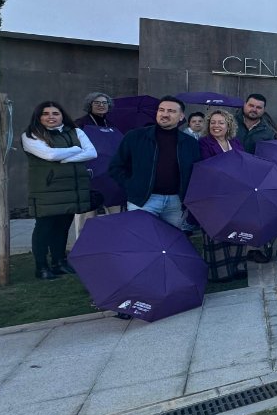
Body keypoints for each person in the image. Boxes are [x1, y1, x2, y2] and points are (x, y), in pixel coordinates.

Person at [22, 101, 97, 279]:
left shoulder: (76, 131)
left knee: (63, 228)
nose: (51, 117)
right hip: (46, 191)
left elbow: (92, 153)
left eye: (55, 113)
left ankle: (59, 262)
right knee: (43, 229)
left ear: (62, 115)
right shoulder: (31, 135)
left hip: (71, 189)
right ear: (39, 117)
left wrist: (62, 157)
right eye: (46, 114)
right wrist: (74, 150)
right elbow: (49, 155)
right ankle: (41, 267)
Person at [108, 95, 200, 230]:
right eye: (161, 110)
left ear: (181, 117)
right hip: (144, 201)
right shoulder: (135, 137)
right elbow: (116, 167)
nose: (165, 114)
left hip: (176, 203)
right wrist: (133, 186)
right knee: (141, 243)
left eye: (171, 111)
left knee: (170, 245)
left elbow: (196, 172)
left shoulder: (190, 143)